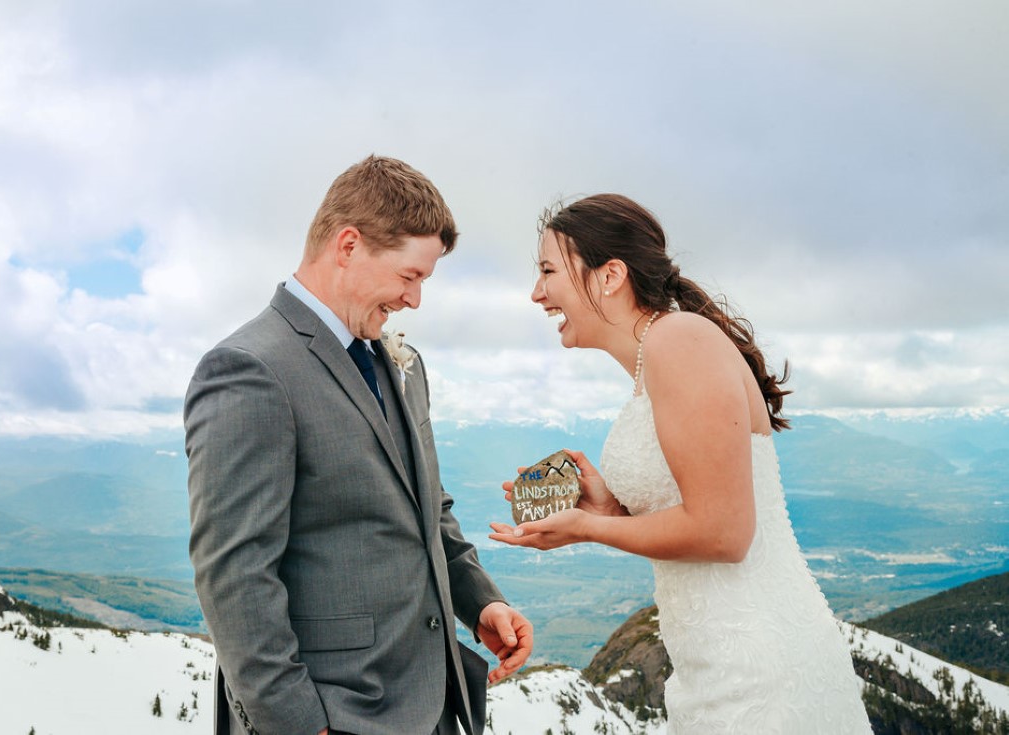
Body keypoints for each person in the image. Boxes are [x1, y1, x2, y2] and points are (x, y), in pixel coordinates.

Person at [489, 194, 871, 732]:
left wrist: (593, 529)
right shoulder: (657, 357)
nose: (536, 292)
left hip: (761, 669)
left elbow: (724, 532)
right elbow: (696, 516)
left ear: (610, 275)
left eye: (548, 270)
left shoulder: (680, 340)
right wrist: (609, 512)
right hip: (712, 667)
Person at [185, 155, 533, 735]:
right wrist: (299, 724)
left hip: (432, 703)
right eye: (409, 277)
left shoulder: (402, 362)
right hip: (333, 714)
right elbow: (235, 575)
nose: (415, 301)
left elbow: (426, 507)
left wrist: (479, 602)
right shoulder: (249, 369)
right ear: (348, 245)